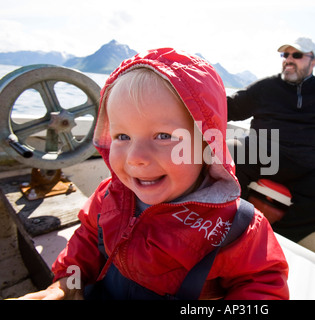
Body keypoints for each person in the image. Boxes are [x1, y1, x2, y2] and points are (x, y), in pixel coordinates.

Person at [17, 48, 289, 300]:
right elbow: (87, 242)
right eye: (122, 136)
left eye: (163, 136)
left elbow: (263, 286)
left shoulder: (237, 226)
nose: (135, 157)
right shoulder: (109, 196)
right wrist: (65, 286)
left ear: (207, 144)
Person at [227, 37, 315, 243]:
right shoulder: (266, 88)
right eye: (285, 55)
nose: (289, 60)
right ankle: (226, 225)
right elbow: (229, 107)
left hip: (307, 167)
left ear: (313, 61)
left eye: (297, 55)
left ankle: (274, 241)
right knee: (226, 153)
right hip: (262, 154)